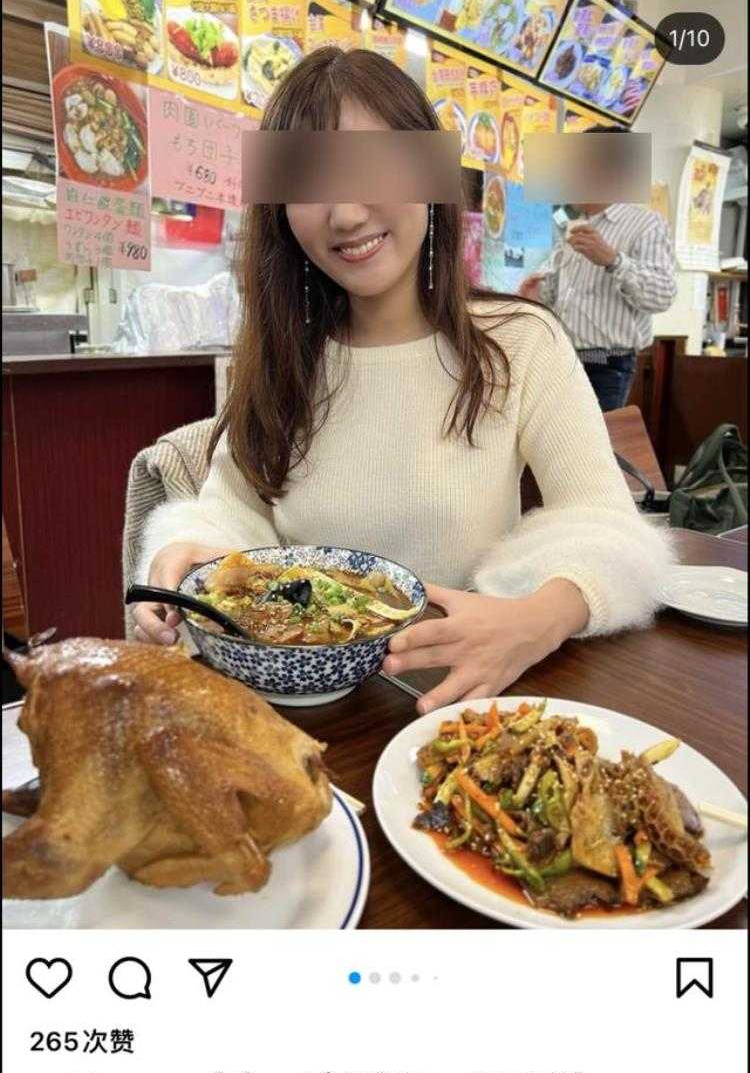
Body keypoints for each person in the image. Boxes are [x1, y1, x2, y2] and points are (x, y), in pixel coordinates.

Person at [132, 48, 674, 715]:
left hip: (469, 700)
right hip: (311, 709)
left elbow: (608, 525)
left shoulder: (519, 341)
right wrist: (189, 549)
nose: (345, 213)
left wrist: (536, 620)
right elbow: (230, 509)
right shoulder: (281, 356)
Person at [519, 153, 677, 412]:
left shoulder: (646, 224)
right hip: (560, 357)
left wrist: (613, 260)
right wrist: (538, 294)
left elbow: (662, 295)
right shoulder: (573, 224)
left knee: (591, 439)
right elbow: (561, 295)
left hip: (605, 366)